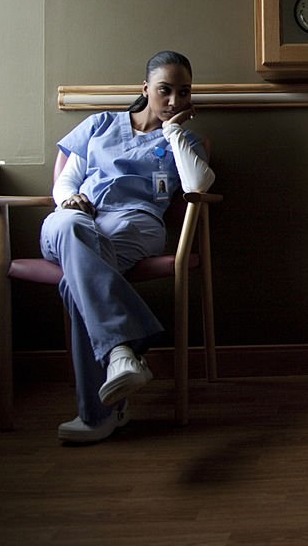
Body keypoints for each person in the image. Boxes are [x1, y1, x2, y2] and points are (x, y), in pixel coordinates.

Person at [40, 50, 216, 443]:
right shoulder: (100, 125)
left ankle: (100, 413)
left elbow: (197, 186)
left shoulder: (182, 140)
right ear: (145, 89)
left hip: (135, 224)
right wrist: (69, 200)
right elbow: (67, 180)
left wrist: (172, 132)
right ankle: (122, 350)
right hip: (82, 218)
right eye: (165, 91)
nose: (174, 101)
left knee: (76, 283)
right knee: (69, 227)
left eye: (184, 93)